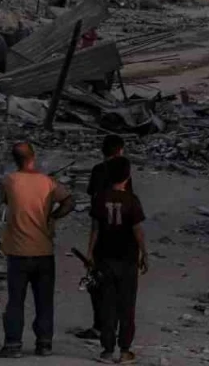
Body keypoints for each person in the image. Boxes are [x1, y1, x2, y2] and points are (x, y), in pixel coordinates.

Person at [0, 141, 75, 359]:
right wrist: (52, 216)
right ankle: (44, 344)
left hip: (18, 252)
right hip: (44, 251)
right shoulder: (48, 182)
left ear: (15, 160)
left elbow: (5, 202)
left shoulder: (9, 181)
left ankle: (13, 345)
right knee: (44, 301)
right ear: (33, 157)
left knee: (15, 300)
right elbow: (69, 202)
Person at [88, 156, 147, 364]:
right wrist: (144, 253)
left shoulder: (100, 198)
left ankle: (107, 350)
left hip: (104, 258)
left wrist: (89, 253)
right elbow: (137, 230)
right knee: (127, 306)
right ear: (128, 176)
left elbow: (95, 230)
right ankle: (124, 350)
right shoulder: (132, 200)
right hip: (127, 259)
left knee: (107, 304)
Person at [76, 136, 135, 343]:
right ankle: (115, 330)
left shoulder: (98, 171)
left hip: (102, 233)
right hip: (122, 237)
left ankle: (100, 326)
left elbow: (93, 204)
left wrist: (89, 250)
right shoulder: (124, 174)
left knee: (98, 282)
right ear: (120, 150)